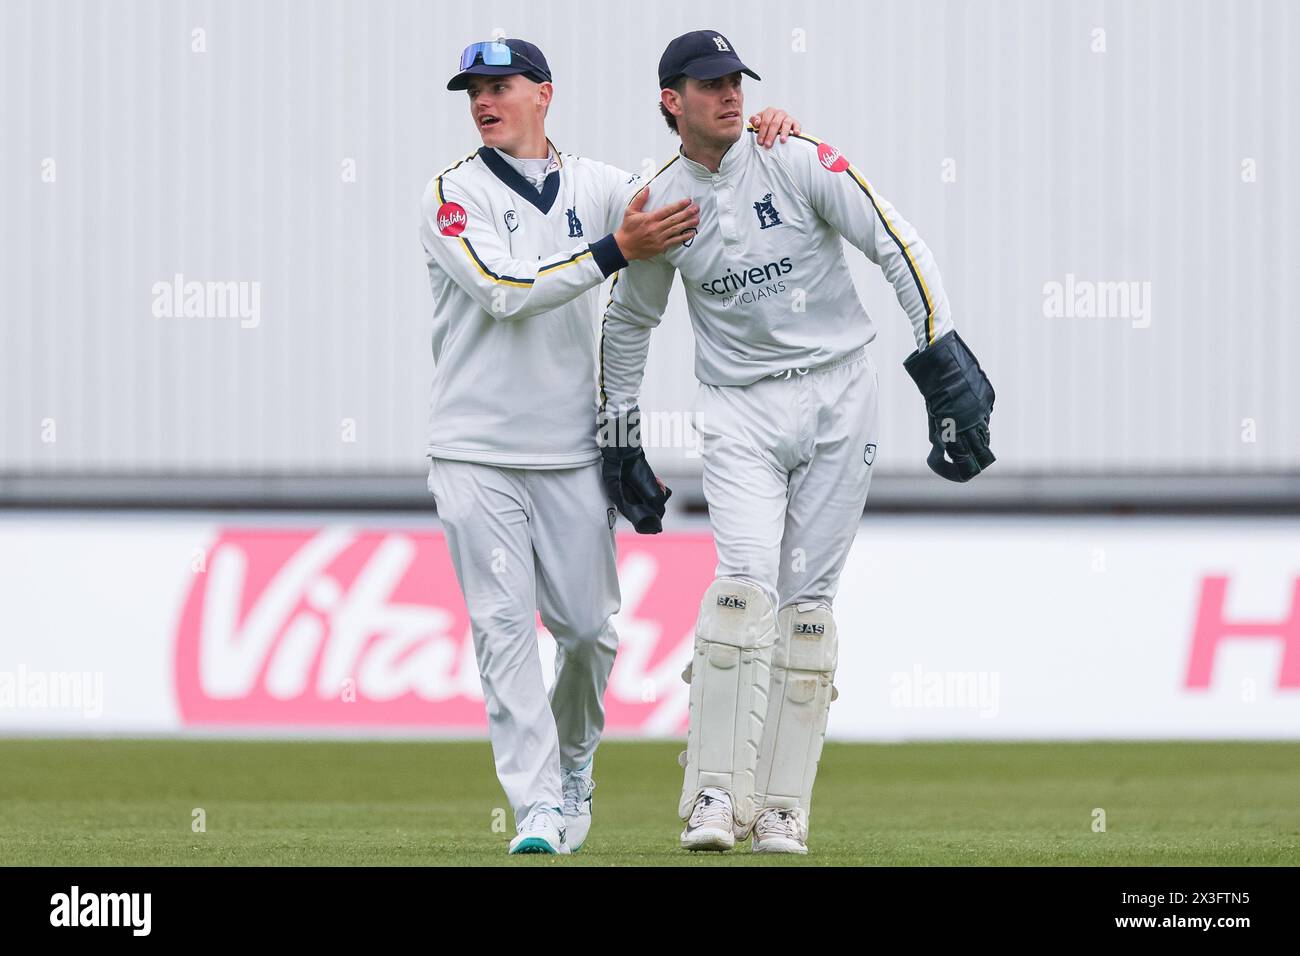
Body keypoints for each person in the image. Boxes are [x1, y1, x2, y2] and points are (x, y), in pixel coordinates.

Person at [597, 29, 996, 854]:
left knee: (809, 614)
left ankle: (782, 806)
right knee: (742, 592)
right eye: (709, 85)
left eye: (736, 81)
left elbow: (896, 242)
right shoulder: (659, 198)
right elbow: (631, 320)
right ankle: (712, 794)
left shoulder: (796, 155)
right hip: (740, 409)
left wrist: (942, 361)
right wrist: (619, 435)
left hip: (841, 395)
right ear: (673, 101)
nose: (730, 96)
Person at [419, 37, 800, 854]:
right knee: (502, 631)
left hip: (569, 453)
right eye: (473, 91)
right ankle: (537, 810)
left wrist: (759, 137)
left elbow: (687, 190)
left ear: (543, 94)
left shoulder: (600, 187)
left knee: (590, 633)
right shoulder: (452, 194)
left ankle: (575, 765)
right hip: (473, 451)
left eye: (501, 86)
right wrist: (613, 251)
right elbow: (502, 292)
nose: (484, 102)